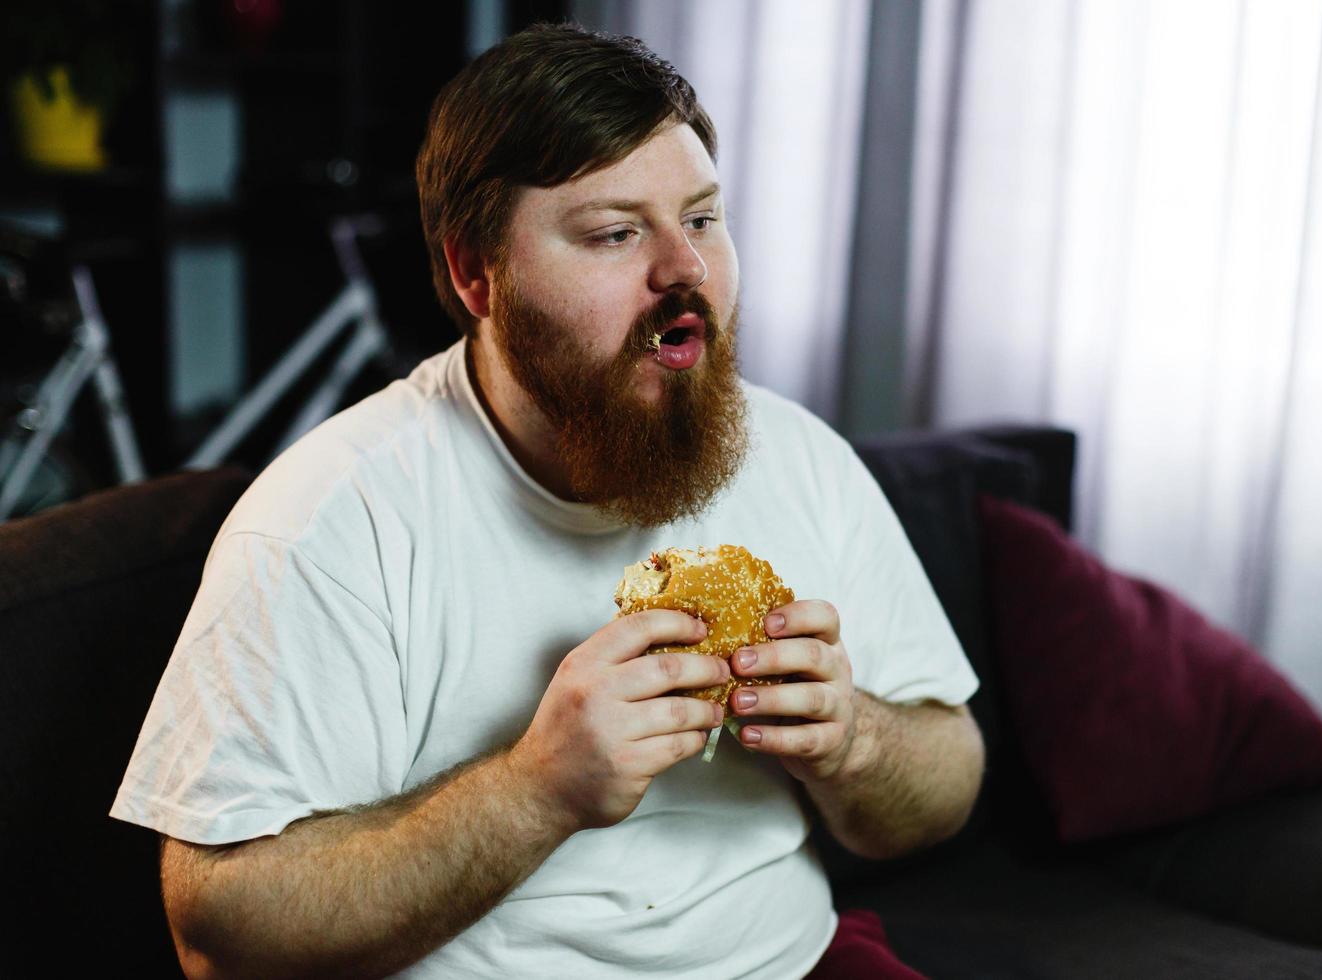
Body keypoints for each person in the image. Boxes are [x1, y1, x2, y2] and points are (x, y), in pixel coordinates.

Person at [110, 23, 984, 979]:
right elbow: (218, 933)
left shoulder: (801, 456)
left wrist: (853, 738)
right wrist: (540, 788)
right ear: (476, 274)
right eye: (615, 233)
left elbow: (949, 778)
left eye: (700, 218)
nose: (685, 270)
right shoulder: (330, 520)